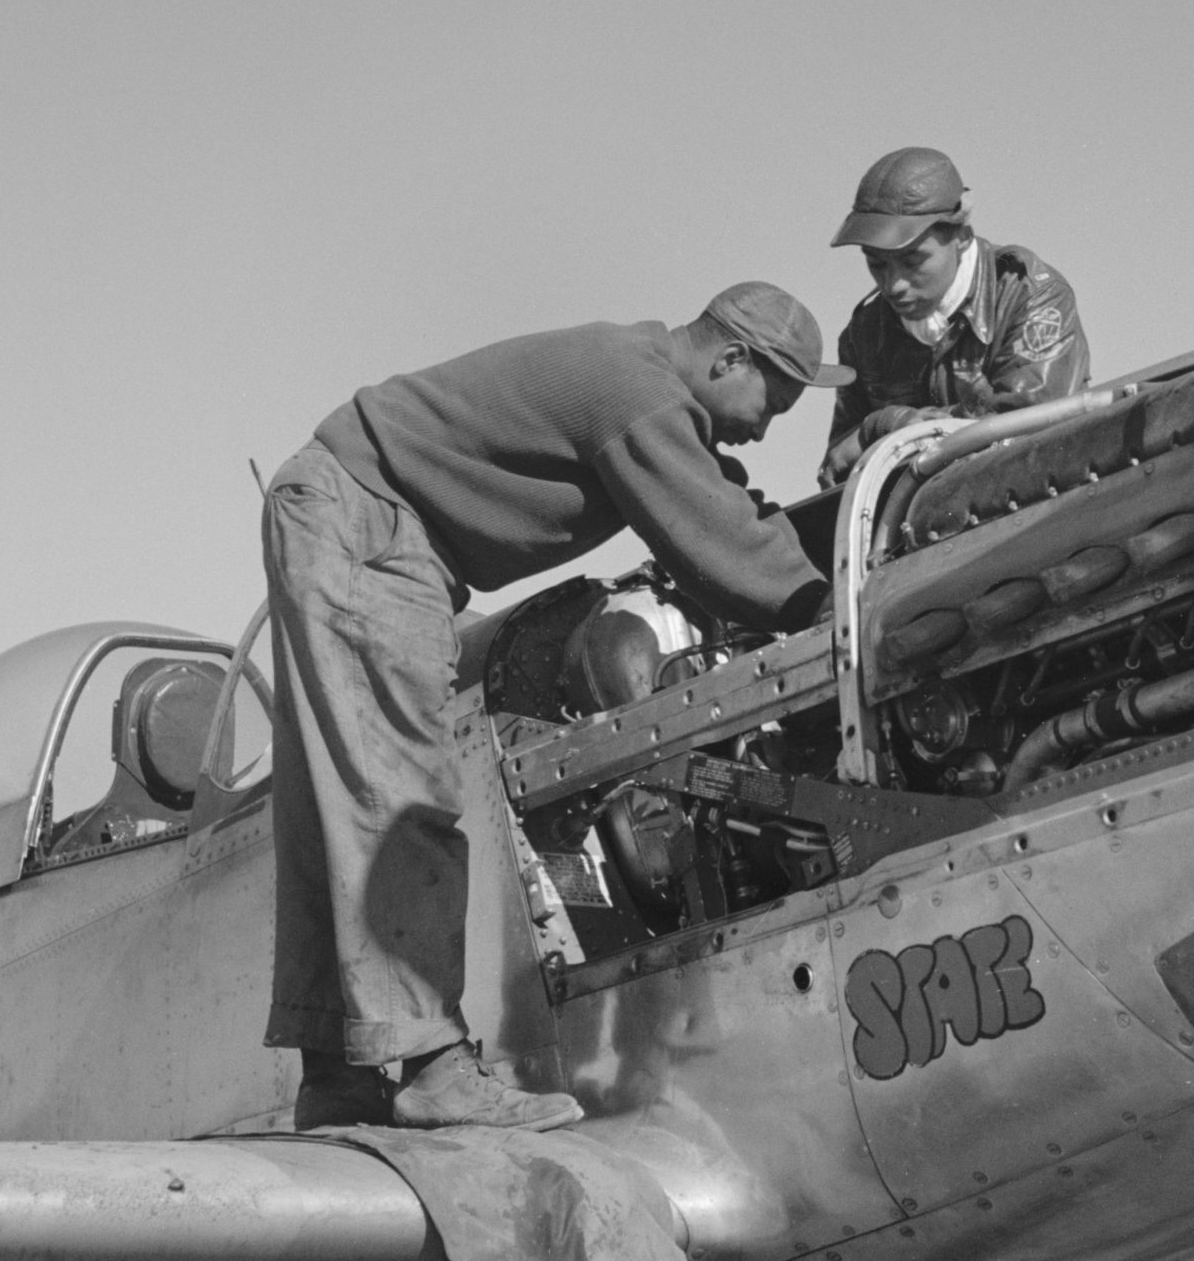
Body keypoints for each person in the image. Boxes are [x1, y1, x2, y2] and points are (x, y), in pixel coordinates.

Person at [265, 284, 852, 1132]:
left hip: (352, 514)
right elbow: (719, 536)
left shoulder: (639, 380)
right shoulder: (639, 394)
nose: (764, 428)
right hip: (370, 527)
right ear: (730, 361)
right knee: (404, 798)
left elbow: (723, 499)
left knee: (344, 803)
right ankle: (433, 1069)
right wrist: (832, 611)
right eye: (774, 401)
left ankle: (337, 1078)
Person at [817, 146, 1090, 488]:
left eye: (913, 261)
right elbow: (841, 467)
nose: (894, 284)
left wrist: (890, 427)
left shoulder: (1029, 295)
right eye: (877, 264)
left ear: (962, 237)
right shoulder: (864, 335)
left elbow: (1025, 427)